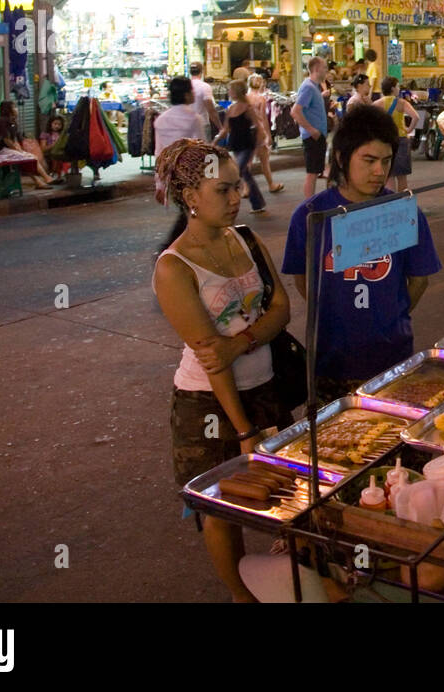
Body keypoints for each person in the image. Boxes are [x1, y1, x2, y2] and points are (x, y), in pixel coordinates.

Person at [154, 139, 293, 603]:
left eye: (237, 188)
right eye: (223, 190)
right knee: (221, 508)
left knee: (285, 486)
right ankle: (242, 595)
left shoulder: (246, 238)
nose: (236, 199)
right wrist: (244, 428)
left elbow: (281, 309)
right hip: (209, 405)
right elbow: (212, 360)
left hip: (266, 386)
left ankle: (290, 573)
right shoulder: (173, 268)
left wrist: (242, 344)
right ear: (191, 196)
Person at [282, 106, 441, 398]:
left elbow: (419, 279)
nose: (380, 171)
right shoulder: (310, 215)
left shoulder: (405, 212)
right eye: (368, 160)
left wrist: (389, 314)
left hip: (393, 358)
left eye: (386, 161)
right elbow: (303, 279)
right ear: (343, 158)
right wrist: (336, 310)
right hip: (330, 362)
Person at [154, 77, 210, 250]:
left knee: (189, 209)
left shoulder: (161, 120)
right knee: (193, 210)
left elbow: (159, 152)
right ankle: (172, 246)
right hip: (191, 174)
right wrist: (211, 175)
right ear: (186, 95)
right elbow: (202, 149)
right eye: (191, 91)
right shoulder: (194, 119)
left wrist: (160, 184)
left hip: (171, 173)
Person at [215, 80, 267, 216]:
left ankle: (225, 202)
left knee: (238, 172)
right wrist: (215, 140)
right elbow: (226, 129)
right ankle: (257, 203)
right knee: (245, 174)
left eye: (231, 90)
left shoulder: (248, 108)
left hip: (246, 145)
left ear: (236, 91)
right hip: (236, 144)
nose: (229, 92)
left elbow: (259, 128)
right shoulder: (231, 109)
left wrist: (257, 147)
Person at [0, 100, 57, 190]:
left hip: (9, 150)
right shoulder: (3, 121)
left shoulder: (13, 122)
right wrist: (18, 150)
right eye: (14, 107)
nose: (16, 109)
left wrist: (20, 150)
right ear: (8, 109)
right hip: (2, 151)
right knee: (26, 158)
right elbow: (7, 140)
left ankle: (41, 180)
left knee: (30, 158)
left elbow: (15, 139)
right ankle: (44, 179)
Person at [290, 57, 331, 199]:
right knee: (312, 173)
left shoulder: (314, 87)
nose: (326, 70)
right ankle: (309, 205)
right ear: (316, 69)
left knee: (316, 171)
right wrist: (312, 130)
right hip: (313, 136)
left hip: (317, 135)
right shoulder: (308, 87)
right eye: (324, 67)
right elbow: (295, 111)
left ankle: (312, 202)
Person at [379, 76, 420, 193]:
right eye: (397, 86)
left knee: (389, 175)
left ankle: (390, 202)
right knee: (402, 177)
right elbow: (416, 117)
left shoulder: (378, 103)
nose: (399, 88)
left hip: (386, 140)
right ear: (392, 88)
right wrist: (408, 129)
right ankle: (404, 203)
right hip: (400, 139)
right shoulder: (401, 103)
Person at [246, 74, 284, 195]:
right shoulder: (261, 99)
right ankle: (271, 185)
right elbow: (263, 118)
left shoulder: (245, 98)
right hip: (259, 130)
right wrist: (268, 135)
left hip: (247, 131)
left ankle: (246, 188)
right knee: (264, 161)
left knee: (248, 161)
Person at [189, 63, 223, 140]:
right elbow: (211, 110)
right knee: (203, 150)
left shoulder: (184, 86)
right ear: (202, 71)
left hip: (186, 125)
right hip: (202, 125)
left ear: (190, 72)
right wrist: (220, 127)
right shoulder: (205, 87)